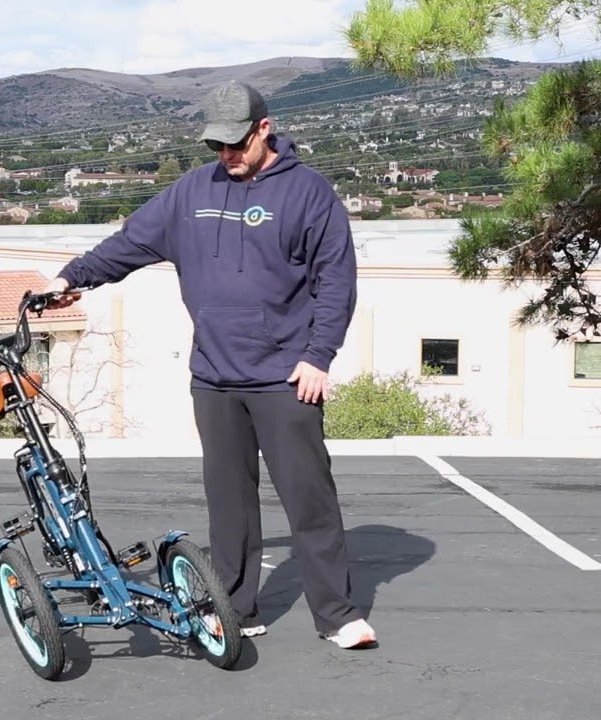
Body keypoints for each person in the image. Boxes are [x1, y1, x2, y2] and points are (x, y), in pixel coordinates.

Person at [41, 80, 376, 650]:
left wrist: (318, 357)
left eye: (235, 144)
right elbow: (129, 244)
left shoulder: (308, 194)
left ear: (263, 130)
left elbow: (336, 281)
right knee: (229, 506)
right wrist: (71, 277)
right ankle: (237, 608)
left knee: (309, 498)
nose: (226, 155)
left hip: (285, 377)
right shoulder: (191, 192)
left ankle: (338, 615)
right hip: (215, 378)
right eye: (216, 145)